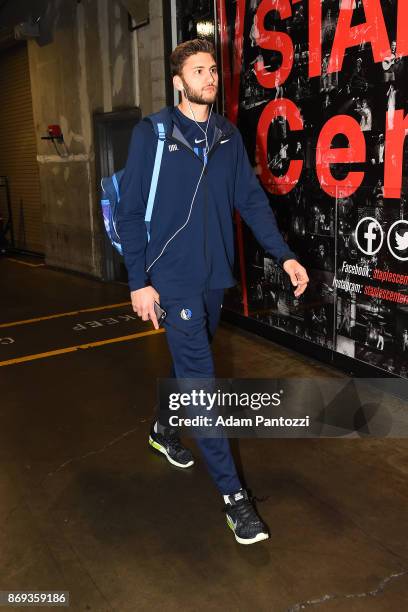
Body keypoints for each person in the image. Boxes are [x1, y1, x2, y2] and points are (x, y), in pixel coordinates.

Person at [117, 39, 309, 546]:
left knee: (188, 369)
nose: (210, 77)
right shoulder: (152, 135)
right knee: (203, 386)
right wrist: (138, 281)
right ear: (179, 81)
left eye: (213, 70)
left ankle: (163, 429)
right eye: (199, 70)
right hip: (171, 279)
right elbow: (131, 211)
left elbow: (250, 200)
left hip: (214, 279)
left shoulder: (226, 137)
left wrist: (284, 254)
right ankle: (234, 500)